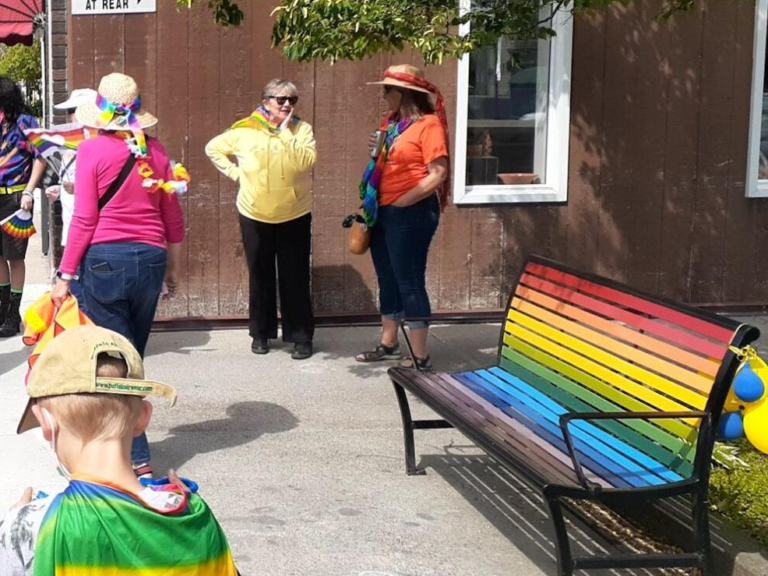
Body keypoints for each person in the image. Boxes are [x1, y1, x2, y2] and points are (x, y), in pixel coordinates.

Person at [0, 325, 239, 575]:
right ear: (143, 417)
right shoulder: (192, 514)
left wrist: (13, 526)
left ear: (45, 422)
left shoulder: (33, 527)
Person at [51, 73, 185, 479]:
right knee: (132, 356)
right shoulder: (156, 152)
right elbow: (173, 219)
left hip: (105, 261)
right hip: (152, 259)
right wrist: (173, 270)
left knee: (113, 363)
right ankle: (125, 447)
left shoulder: (92, 150)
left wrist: (64, 273)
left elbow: (86, 218)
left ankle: (132, 456)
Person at [205, 79, 317, 360]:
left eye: (293, 99)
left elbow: (306, 162)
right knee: (260, 274)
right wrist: (236, 175)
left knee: (295, 276)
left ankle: (301, 337)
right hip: (254, 213)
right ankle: (261, 333)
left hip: (294, 212)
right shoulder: (245, 129)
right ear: (266, 101)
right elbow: (213, 148)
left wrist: (286, 133)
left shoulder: (301, 129)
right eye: (281, 100)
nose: (287, 105)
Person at [355, 65, 450, 370]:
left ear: (405, 93)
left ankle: (421, 357)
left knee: (409, 281)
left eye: (388, 90)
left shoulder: (429, 125)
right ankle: (389, 344)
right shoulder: (393, 122)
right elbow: (384, 163)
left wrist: (403, 202)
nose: (383, 95)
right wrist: (376, 152)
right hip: (383, 210)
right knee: (387, 278)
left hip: (412, 212)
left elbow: (438, 174)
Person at [0, 77, 48, 338]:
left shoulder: (25, 123)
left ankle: (12, 313)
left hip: (17, 198)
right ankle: (2, 306)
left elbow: (40, 156)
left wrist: (29, 190)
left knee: (14, 257)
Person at [43, 88, 97, 302]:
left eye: (74, 110)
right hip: (72, 230)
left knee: (88, 296)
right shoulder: (68, 146)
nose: (70, 116)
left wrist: (80, 187)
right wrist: (57, 188)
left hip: (92, 236)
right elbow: (69, 181)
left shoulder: (97, 147)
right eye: (70, 111)